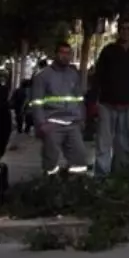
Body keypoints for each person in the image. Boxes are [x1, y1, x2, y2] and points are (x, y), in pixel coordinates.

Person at [90, 15, 129, 175]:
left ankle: (121, 177)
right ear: (118, 31)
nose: (126, 32)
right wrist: (92, 101)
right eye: (123, 29)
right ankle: (101, 176)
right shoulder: (108, 51)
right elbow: (98, 77)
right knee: (103, 143)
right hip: (107, 105)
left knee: (125, 145)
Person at [26, 42, 90, 176]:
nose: (65, 56)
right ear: (56, 54)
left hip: (72, 123)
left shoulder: (74, 75)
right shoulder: (42, 76)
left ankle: (75, 188)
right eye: (62, 53)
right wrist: (41, 124)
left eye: (68, 53)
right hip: (52, 123)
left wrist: (82, 120)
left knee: (80, 159)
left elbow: (79, 100)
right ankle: (50, 187)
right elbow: (36, 102)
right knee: (51, 162)